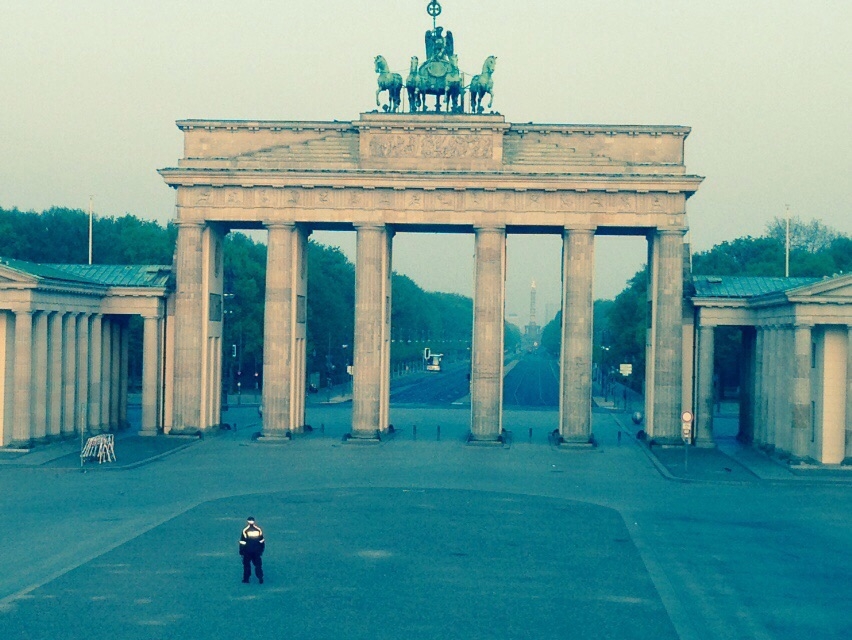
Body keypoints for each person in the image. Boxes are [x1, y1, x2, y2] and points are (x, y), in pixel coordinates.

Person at [239, 516, 265, 584]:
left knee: (247, 565)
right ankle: (260, 577)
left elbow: (242, 541)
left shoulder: (245, 530)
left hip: (247, 551)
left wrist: (241, 551)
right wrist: (261, 549)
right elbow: (261, 540)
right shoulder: (258, 529)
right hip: (256, 551)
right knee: (258, 565)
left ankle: (246, 579)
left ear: (247, 521)